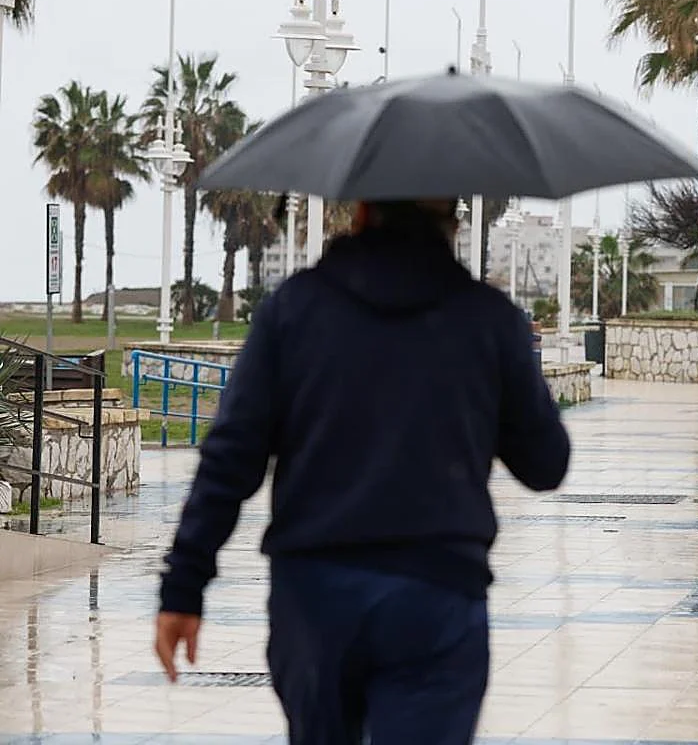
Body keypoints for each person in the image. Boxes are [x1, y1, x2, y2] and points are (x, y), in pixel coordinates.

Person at [154, 198, 571, 744]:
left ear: (360, 210)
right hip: (436, 594)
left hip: (314, 598)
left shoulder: (294, 310)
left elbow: (232, 454)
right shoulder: (488, 319)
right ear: (453, 215)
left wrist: (184, 587)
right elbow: (546, 464)